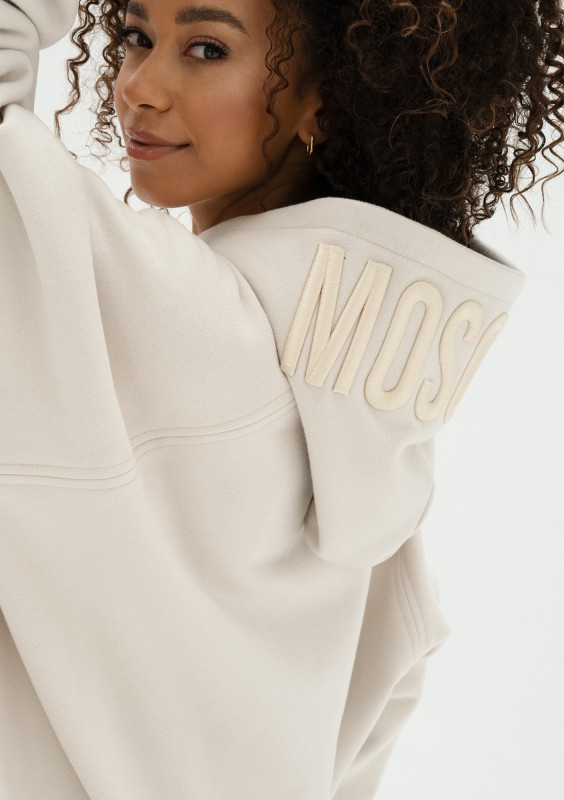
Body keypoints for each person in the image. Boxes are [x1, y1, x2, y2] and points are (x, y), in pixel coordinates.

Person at [0, 1, 562, 798]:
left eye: (205, 49)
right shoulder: (376, 460)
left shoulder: (187, 323)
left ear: (322, 100)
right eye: (135, 37)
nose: (139, 86)